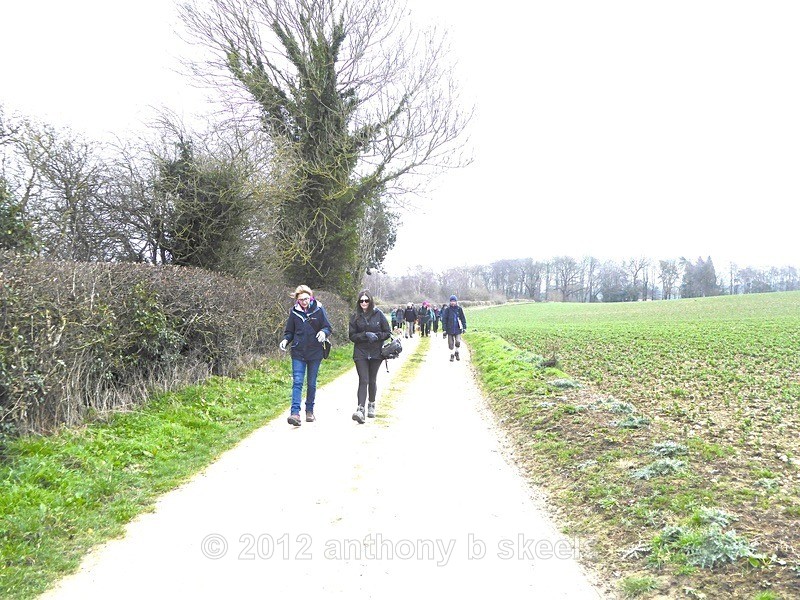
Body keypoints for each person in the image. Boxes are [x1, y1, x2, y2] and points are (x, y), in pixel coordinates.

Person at [279, 285, 333, 426]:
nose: (304, 302)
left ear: (311, 297)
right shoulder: (294, 313)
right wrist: (285, 340)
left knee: (311, 383)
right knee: (297, 382)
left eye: (307, 299)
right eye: (301, 299)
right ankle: (295, 413)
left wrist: (323, 333)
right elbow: (289, 331)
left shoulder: (319, 309)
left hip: (315, 352)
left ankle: (309, 411)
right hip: (298, 352)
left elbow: (328, 327)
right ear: (297, 299)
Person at [348, 290, 392, 424]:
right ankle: (360, 409)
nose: (364, 303)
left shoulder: (379, 315)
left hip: (376, 352)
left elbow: (387, 332)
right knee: (363, 380)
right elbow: (352, 336)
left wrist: (377, 336)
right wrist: (365, 335)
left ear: (371, 301)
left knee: (372, 380)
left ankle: (371, 404)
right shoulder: (355, 316)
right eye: (361, 301)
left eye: (366, 300)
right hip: (360, 352)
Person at [441, 295, 467, 362]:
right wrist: (444, 329)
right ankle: (452, 355)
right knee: (450, 343)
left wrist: (464, 327)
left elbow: (463, 318)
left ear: (456, 302)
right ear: (450, 302)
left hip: (458, 329)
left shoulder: (459, 309)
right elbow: (444, 320)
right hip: (449, 329)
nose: (453, 302)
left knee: (458, 342)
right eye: (451, 301)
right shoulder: (447, 310)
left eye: (454, 301)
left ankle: (457, 352)